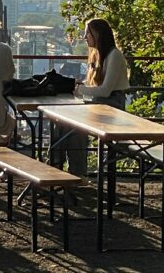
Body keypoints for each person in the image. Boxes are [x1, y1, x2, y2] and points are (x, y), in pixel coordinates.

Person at [53, 18, 130, 178]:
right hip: (101, 105)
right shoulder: (98, 55)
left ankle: (64, 171)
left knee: (71, 126)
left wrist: (80, 90)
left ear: (98, 35)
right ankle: (59, 169)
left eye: (88, 33)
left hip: (112, 107)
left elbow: (106, 90)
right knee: (62, 123)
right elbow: (95, 87)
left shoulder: (114, 56)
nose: (84, 36)